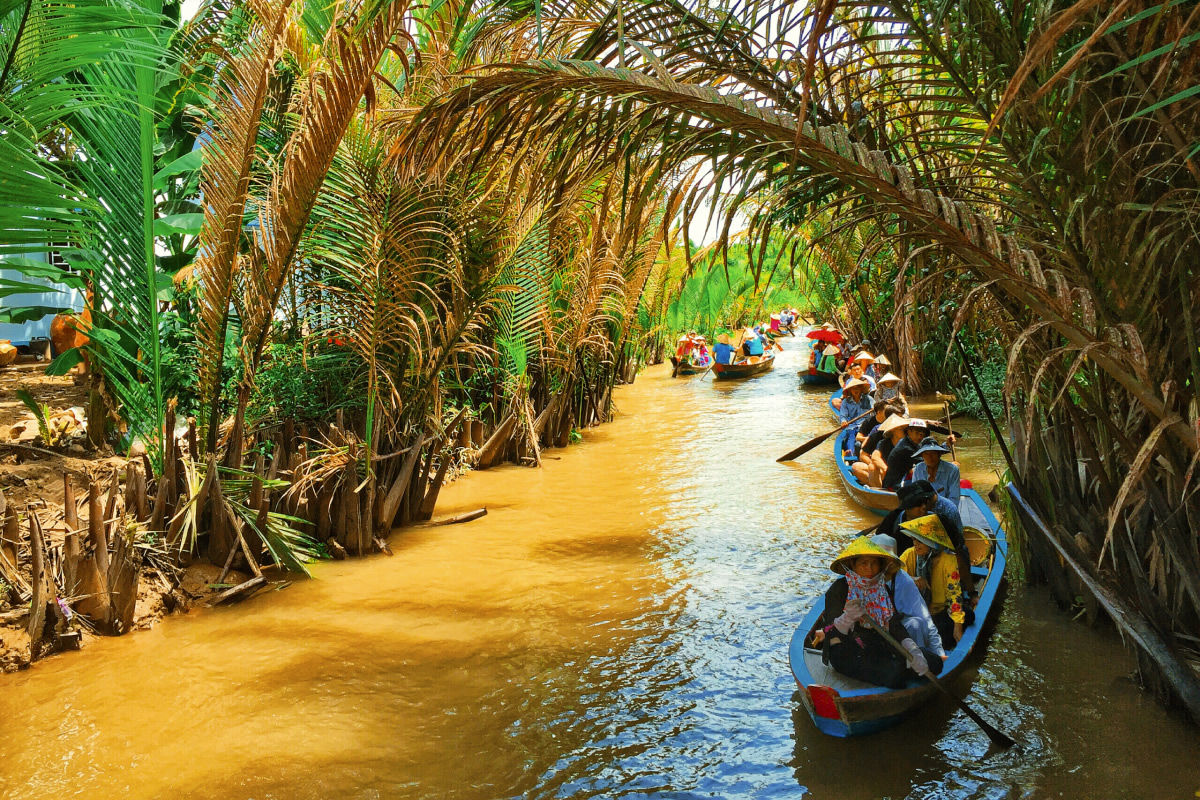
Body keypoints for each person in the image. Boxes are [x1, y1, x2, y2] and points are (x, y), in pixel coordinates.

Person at [817, 536, 942, 688]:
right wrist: (847, 618)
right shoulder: (839, 589)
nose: (870, 569)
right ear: (852, 564)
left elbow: (894, 625)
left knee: (934, 662)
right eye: (864, 563)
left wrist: (912, 649)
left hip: (878, 645)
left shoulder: (881, 588)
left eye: (874, 563)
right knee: (896, 675)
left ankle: (899, 666)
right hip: (847, 651)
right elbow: (830, 632)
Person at [879, 479, 977, 600]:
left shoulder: (939, 522)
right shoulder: (892, 522)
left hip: (940, 581)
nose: (924, 507)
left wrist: (972, 593)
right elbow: (880, 557)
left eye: (925, 502)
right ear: (907, 508)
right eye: (918, 504)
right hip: (904, 580)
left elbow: (959, 557)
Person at [898, 515, 976, 645]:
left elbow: (954, 595)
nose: (916, 544)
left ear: (931, 541)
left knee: (968, 615)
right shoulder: (909, 554)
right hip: (914, 614)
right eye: (914, 539)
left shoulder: (948, 560)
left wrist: (957, 630)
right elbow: (892, 576)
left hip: (938, 612)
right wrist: (911, 579)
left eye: (920, 540)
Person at [871, 533, 946, 660]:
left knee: (916, 624)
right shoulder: (864, 579)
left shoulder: (903, 580)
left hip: (899, 631)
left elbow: (925, 618)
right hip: (873, 631)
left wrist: (939, 653)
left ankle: (919, 659)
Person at [911, 437, 960, 507]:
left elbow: (954, 500)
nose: (930, 457)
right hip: (923, 509)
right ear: (922, 456)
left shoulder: (953, 470)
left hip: (945, 509)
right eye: (926, 454)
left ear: (939, 454)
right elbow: (915, 494)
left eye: (933, 453)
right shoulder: (918, 468)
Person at [881, 417, 928, 490]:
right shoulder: (906, 448)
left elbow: (929, 454)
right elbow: (927, 462)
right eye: (916, 433)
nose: (919, 437)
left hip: (900, 479)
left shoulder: (910, 442)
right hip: (896, 484)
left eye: (922, 435)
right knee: (923, 468)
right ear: (909, 431)